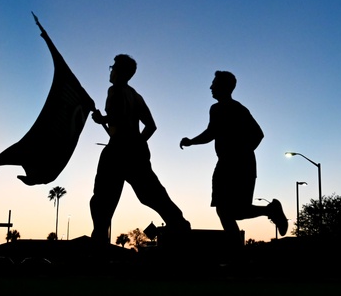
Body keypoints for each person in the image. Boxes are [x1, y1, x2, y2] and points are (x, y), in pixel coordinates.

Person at [89, 54, 190, 243]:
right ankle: (179, 224)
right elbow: (151, 125)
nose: (111, 71)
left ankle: (99, 239)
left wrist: (101, 119)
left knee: (103, 198)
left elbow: (117, 117)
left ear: (120, 71)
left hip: (117, 151)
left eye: (113, 67)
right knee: (152, 195)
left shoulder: (114, 90)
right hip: (136, 153)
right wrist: (138, 142)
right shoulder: (136, 96)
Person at [180, 70, 288, 242]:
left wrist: (240, 153)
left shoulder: (234, 109)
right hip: (228, 163)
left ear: (223, 86)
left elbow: (258, 134)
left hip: (238, 164)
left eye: (214, 84)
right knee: (229, 211)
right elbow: (211, 133)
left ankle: (239, 253)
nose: (211, 87)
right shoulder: (221, 109)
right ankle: (269, 212)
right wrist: (192, 141)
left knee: (229, 211)